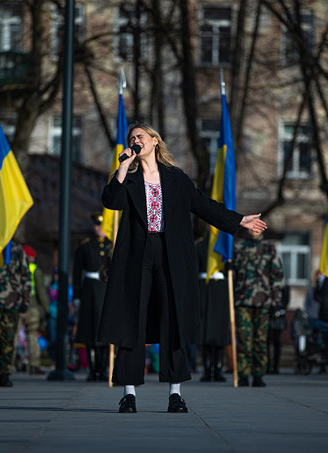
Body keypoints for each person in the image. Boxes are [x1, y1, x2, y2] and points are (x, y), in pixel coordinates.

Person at [98, 123, 267, 414]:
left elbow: (204, 205)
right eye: (131, 138)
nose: (135, 141)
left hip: (170, 254)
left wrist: (238, 221)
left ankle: (175, 394)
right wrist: (123, 166)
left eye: (140, 136)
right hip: (136, 256)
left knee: (172, 320)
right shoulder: (130, 177)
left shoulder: (176, 179)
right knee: (132, 321)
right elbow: (111, 201)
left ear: (154, 140)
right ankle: (129, 394)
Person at [233, 228, 284, 387]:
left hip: (263, 301)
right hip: (242, 300)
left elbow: (277, 275)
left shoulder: (269, 248)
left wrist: (276, 302)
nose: (254, 230)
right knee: (244, 339)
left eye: (258, 226)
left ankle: (258, 374)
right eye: (252, 226)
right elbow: (232, 272)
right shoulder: (238, 247)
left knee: (261, 340)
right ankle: (243, 374)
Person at [0, 242, 31, 387]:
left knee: (8, 341)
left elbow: (25, 276)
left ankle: (5, 374)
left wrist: (25, 300)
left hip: (12, 302)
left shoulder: (17, 250)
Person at [73, 213, 112, 381]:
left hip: (105, 290)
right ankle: (92, 368)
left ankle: (103, 368)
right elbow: (76, 272)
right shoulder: (85, 246)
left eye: (101, 224)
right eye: (96, 224)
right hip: (89, 290)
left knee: (105, 331)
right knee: (89, 331)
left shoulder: (113, 245)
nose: (98, 227)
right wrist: (76, 295)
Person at [195, 234, 230, 382]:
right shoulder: (199, 246)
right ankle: (207, 368)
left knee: (220, 332)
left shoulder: (226, 248)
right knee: (205, 331)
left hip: (221, 291)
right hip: (204, 289)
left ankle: (218, 368)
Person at [19, 245, 49, 376]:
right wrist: (47, 309)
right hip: (32, 307)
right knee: (32, 335)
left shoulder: (17, 268)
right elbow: (41, 292)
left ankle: (11, 364)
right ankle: (34, 365)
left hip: (17, 306)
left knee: (13, 337)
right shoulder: (35, 271)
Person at [268, 281, 289, 374]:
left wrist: (280, 310)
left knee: (277, 341)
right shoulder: (267, 282)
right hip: (268, 314)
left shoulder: (284, 285)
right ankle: (267, 366)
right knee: (266, 341)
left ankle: (276, 366)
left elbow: (286, 300)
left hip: (278, 315)